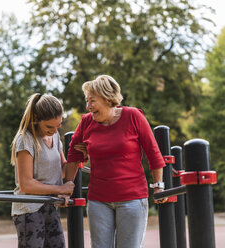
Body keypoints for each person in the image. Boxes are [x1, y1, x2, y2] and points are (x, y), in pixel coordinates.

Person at [65, 75, 166, 248]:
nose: (88, 106)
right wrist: (67, 185)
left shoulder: (133, 116)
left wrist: (158, 185)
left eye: (92, 101)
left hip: (132, 198)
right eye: (87, 101)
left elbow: (153, 152)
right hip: (99, 199)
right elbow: (74, 155)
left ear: (107, 98)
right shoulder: (86, 122)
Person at [10, 93, 75, 248]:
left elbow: (63, 170)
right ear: (37, 118)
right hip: (29, 209)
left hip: (50, 205)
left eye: (58, 126)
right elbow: (26, 184)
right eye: (49, 127)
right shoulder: (25, 140)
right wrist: (60, 188)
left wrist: (79, 154)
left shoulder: (55, 137)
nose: (53, 131)